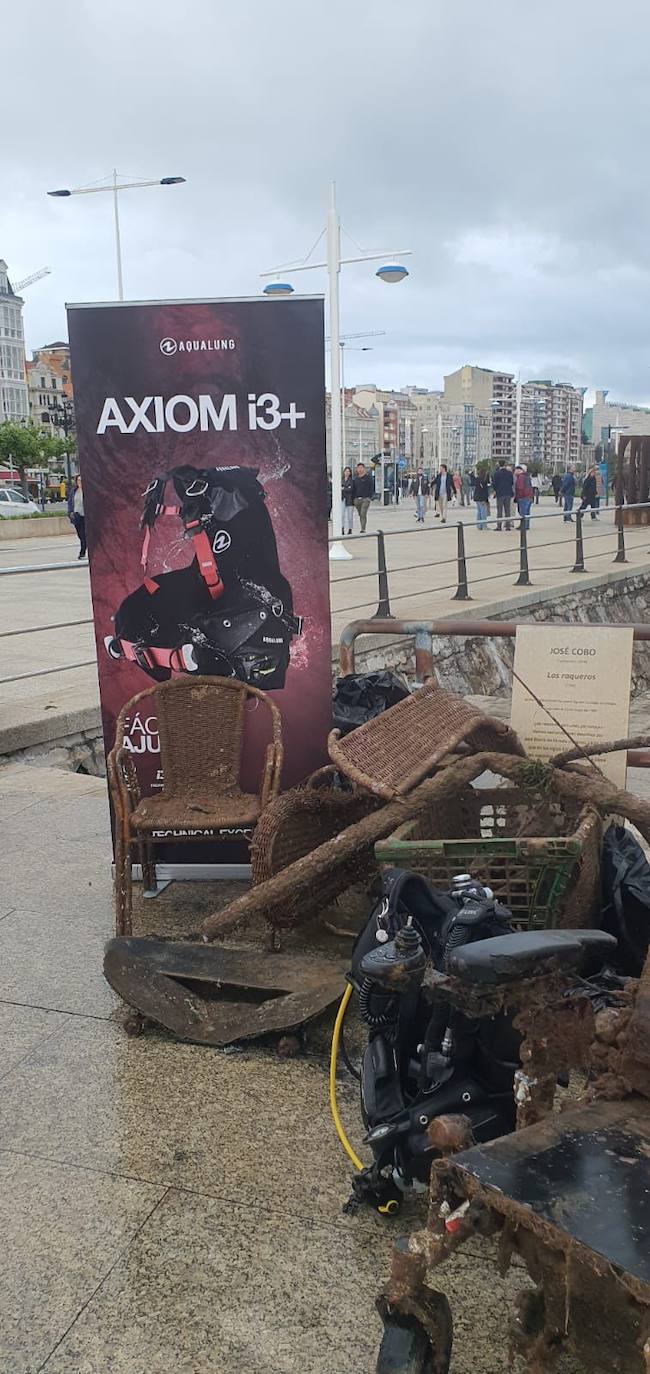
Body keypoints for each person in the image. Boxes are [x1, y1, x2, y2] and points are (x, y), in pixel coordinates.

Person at [492, 460, 513, 531]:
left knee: (499, 510)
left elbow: (494, 484)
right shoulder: (509, 473)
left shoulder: (496, 474)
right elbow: (511, 483)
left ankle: (499, 526)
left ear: (499, 465)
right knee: (507, 510)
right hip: (508, 493)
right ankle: (508, 526)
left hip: (500, 494)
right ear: (505, 465)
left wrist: (495, 490)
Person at [352, 461, 374, 533]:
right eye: (358, 468)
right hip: (357, 499)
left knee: (363, 513)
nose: (360, 469)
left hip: (365, 499)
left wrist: (370, 497)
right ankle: (362, 524)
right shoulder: (355, 479)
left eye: (361, 468)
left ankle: (363, 529)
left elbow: (371, 487)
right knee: (360, 514)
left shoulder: (368, 478)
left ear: (364, 469)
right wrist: (354, 499)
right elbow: (354, 489)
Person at [514, 464, 534, 530]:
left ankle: (523, 526)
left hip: (523, 497)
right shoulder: (527, 476)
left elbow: (520, 488)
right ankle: (526, 525)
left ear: (519, 470)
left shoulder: (521, 477)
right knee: (527, 512)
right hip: (529, 496)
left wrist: (518, 497)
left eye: (516, 470)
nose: (514, 471)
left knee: (523, 512)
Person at [71, 474, 86, 559]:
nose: (80, 482)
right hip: (77, 515)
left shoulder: (86, 491)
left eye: (81, 480)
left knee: (83, 534)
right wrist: (70, 513)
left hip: (84, 516)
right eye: (78, 480)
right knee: (79, 535)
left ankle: (82, 552)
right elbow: (71, 503)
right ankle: (84, 545)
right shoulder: (74, 491)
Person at [341, 465, 354, 535]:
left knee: (350, 516)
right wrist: (346, 488)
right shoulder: (341, 480)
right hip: (342, 499)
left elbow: (351, 489)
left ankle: (350, 529)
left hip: (349, 500)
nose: (347, 472)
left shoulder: (352, 480)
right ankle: (342, 528)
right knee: (342, 515)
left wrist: (343, 488)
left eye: (348, 471)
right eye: (346, 471)